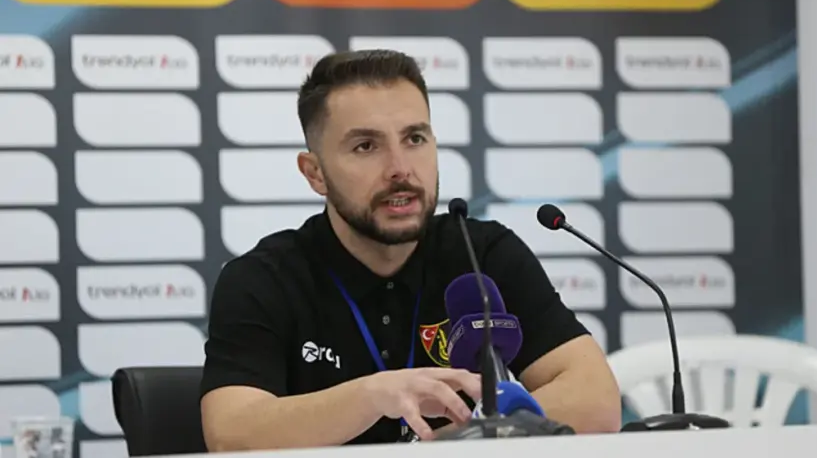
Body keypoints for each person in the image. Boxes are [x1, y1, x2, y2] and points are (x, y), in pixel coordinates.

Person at [199, 50, 621, 450]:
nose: (400, 169)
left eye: (414, 138)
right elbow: (232, 434)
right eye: (366, 146)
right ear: (315, 174)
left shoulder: (483, 255)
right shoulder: (264, 279)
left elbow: (596, 400)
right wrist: (371, 397)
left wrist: (452, 444)